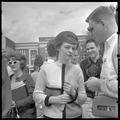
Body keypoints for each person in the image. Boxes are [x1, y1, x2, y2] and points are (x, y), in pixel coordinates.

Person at [33, 31, 87, 118]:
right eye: (67, 47)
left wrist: (73, 93)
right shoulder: (46, 69)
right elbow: (36, 95)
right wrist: (53, 99)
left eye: (73, 48)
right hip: (50, 116)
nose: (70, 51)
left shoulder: (77, 70)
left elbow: (83, 98)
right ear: (58, 47)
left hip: (75, 116)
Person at [85, 5, 118, 106]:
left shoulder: (117, 45)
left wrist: (99, 84)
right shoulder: (109, 47)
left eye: (91, 29)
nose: (90, 33)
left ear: (102, 24)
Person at [7, 52, 36, 118]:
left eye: (14, 62)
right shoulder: (9, 78)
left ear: (21, 62)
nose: (12, 64)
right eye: (10, 63)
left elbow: (33, 97)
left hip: (26, 114)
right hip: (13, 114)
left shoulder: (28, 77)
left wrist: (17, 103)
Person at [80, 39, 103, 118]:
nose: (90, 50)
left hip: (104, 99)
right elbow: (81, 82)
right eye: (87, 49)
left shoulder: (105, 61)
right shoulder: (83, 64)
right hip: (88, 100)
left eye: (92, 48)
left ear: (98, 47)